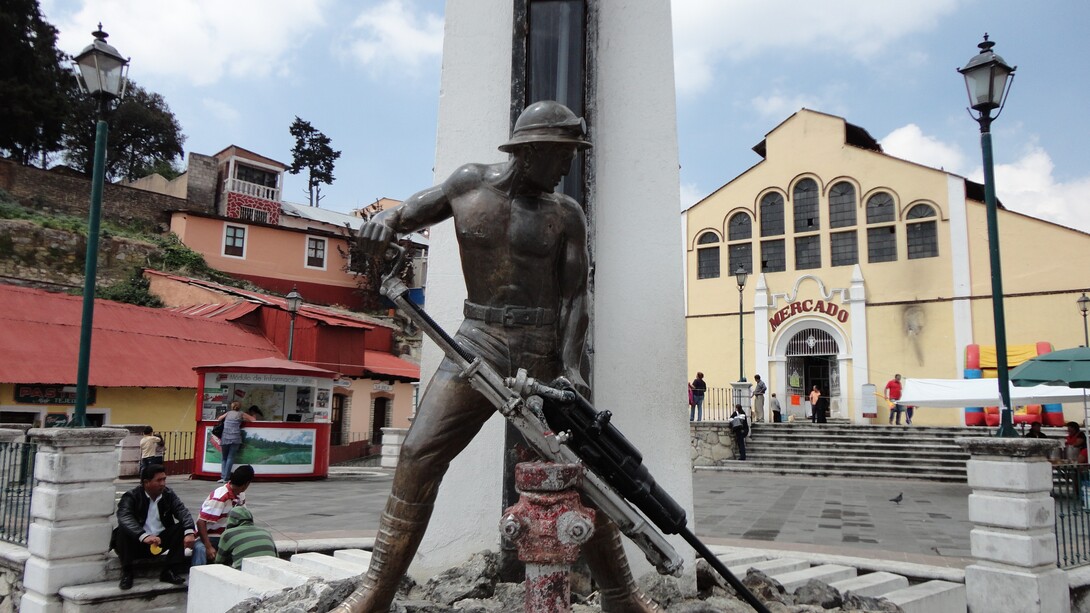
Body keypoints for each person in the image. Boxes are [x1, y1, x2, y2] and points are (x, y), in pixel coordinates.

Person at [345, 101, 659, 612]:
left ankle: (621, 595)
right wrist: (382, 220)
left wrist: (572, 369)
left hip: (542, 353)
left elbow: (577, 297)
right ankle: (375, 592)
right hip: (477, 339)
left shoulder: (566, 215)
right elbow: (405, 214)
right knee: (418, 456)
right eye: (563, 157)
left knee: (580, 467)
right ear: (533, 151)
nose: (567, 168)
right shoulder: (469, 184)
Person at [112, 464, 196, 590]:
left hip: (159, 541)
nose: (163, 483)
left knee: (182, 528)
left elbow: (182, 511)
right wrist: (143, 536)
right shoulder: (131, 496)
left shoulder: (168, 494)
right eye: (159, 480)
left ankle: (170, 571)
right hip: (137, 542)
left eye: (164, 479)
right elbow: (125, 517)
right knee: (122, 531)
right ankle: (127, 573)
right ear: (146, 482)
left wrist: (189, 532)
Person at [193, 464, 254, 566]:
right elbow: (201, 522)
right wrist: (208, 547)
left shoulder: (240, 494)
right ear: (246, 484)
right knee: (200, 549)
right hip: (208, 536)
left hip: (226, 536)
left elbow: (243, 518)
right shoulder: (220, 497)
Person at [216, 401, 255, 483]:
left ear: (232, 406)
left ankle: (223, 477)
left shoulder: (228, 413)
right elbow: (253, 420)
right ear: (239, 407)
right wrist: (245, 418)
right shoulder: (241, 413)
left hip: (225, 437)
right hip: (235, 438)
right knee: (230, 457)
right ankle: (226, 478)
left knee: (224, 458)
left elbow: (219, 419)